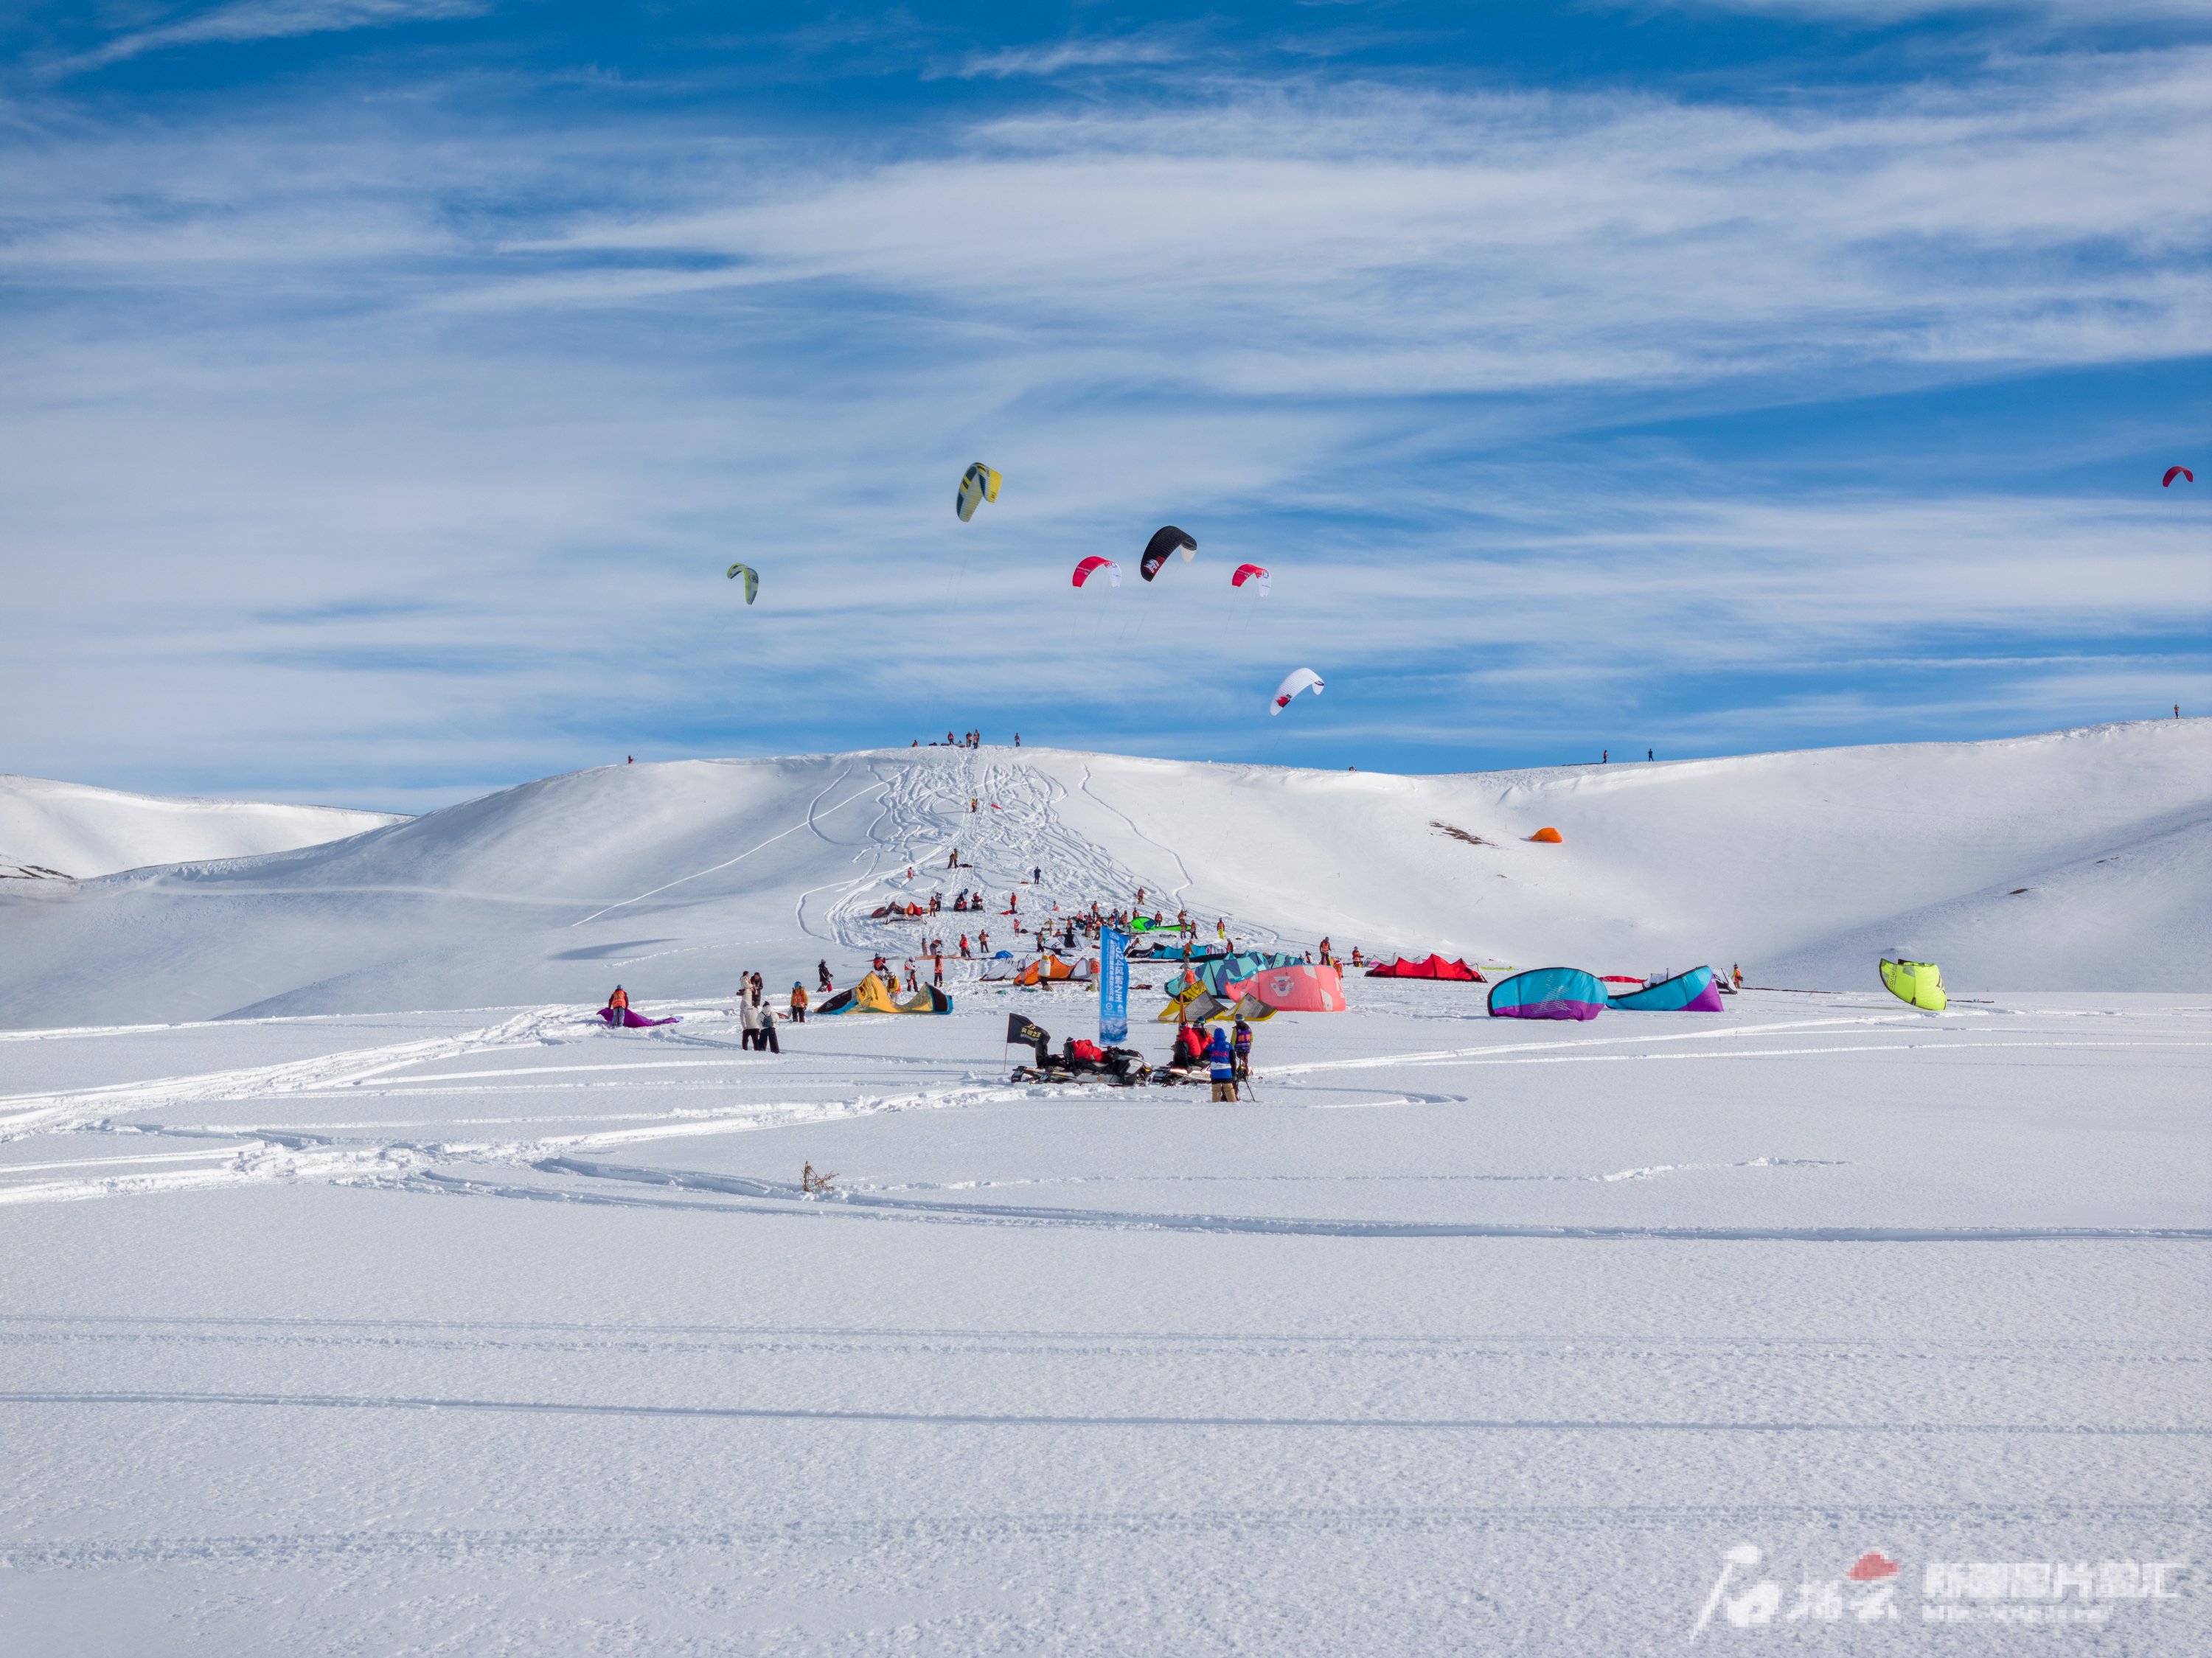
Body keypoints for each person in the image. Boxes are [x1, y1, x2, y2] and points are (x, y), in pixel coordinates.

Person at [1208, 1025, 1237, 1102]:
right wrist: (1233, 1071)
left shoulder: (1211, 1045)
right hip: (1226, 1071)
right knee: (1229, 1088)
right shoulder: (1229, 1046)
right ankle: (1233, 1103)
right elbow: (1233, 1060)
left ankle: (1216, 1104)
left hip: (1215, 1071)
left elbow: (1204, 1054)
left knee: (1216, 1090)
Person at [1232, 1016, 1253, 1082]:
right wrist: (1249, 1047)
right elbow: (1251, 1039)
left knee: (1239, 1062)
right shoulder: (1249, 1028)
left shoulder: (1236, 1029)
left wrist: (1232, 1049)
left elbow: (1233, 1040)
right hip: (1246, 1048)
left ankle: (1238, 1074)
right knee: (1245, 1062)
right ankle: (1245, 1074)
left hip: (1239, 1049)